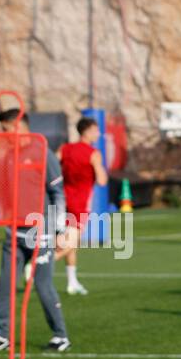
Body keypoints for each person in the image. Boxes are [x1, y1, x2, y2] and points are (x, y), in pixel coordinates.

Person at [0, 107, 71, 353]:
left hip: (41, 232)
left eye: (6, 129)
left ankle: (60, 335)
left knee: (42, 285)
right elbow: (3, 193)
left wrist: (58, 230)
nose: (3, 134)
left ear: (19, 126)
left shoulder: (43, 153)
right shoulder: (8, 156)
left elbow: (57, 193)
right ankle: (0, 335)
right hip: (13, 231)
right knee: (5, 284)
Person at [57, 116, 108, 295]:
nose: (98, 133)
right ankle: (38, 264)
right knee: (73, 242)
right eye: (96, 130)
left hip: (62, 200)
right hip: (79, 203)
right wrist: (98, 169)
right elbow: (102, 180)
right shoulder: (93, 153)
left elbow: (53, 168)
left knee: (71, 243)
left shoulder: (65, 149)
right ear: (87, 131)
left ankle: (72, 282)